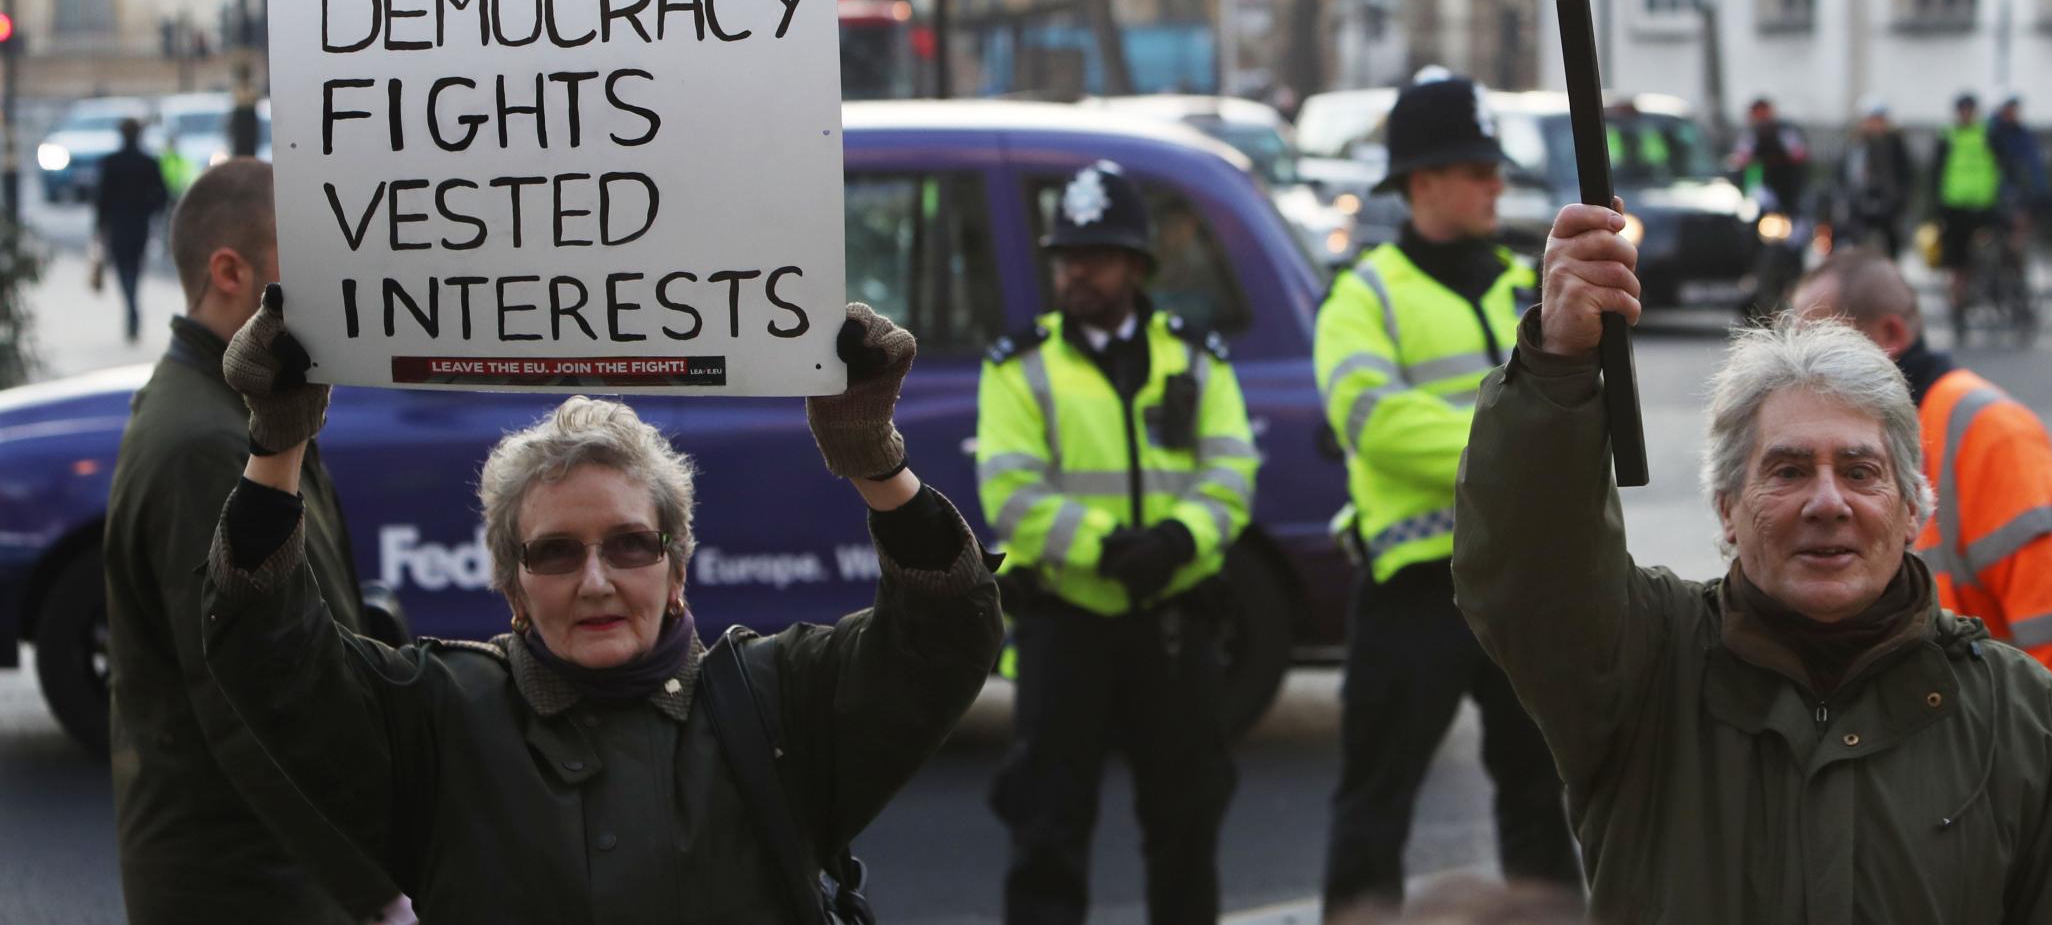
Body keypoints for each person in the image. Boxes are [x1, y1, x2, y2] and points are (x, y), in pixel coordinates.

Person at [200, 287, 1002, 923]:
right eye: (554, 551)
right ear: (512, 585)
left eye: (629, 544)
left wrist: (875, 462)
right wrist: (278, 445)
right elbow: (267, 650)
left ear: (676, 568)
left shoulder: (780, 703)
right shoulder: (438, 722)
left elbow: (942, 636)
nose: (595, 580)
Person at [1452, 202, 2052, 923]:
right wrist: (1557, 364)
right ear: (1726, 509)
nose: (1828, 501)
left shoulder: (2023, 719)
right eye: (1787, 470)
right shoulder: (1646, 667)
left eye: (1861, 470)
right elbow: (1530, 572)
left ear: (1912, 509)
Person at [102, 159, 401, 925]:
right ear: (230, 271)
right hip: (252, 884)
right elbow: (243, 699)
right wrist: (373, 888)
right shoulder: (204, 442)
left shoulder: (238, 402)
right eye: (304, 260)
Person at [1316, 72, 1577, 915]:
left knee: (1541, 801)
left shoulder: (1521, 287)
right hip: (1413, 591)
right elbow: (1374, 421)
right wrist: (1514, 442)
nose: (1498, 181)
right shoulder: (1365, 293)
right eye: (1476, 167)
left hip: (1516, 587)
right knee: (1373, 808)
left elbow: (1576, 411)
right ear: (1420, 181)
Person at [977, 160, 1261, 925]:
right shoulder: (1018, 365)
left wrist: (1176, 539)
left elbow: (1232, 474)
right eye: (1066, 257)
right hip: (1064, 625)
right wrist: (1106, 547)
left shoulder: (1197, 356)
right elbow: (1010, 490)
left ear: (1136, 265)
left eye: (1095, 256)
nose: (1076, 272)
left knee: (1186, 831)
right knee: (1046, 833)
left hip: (1173, 625)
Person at [1793, 250, 2052, 697]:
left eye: (1818, 347)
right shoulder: (1871, 435)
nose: (1797, 371)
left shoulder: (1987, 429)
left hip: (1994, 742)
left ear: (1891, 335)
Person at [95, 115, 170, 342]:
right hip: (139, 222)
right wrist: (149, 211)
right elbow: (162, 194)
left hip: (119, 223)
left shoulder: (111, 162)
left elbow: (102, 197)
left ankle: (131, 308)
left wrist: (100, 225)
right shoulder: (148, 162)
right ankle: (133, 306)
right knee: (135, 267)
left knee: (122, 267)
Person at [1931, 91, 2003, 327]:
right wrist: (1936, 207)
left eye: (1969, 109)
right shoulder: (1947, 136)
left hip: (1983, 205)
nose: (1966, 114)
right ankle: (1958, 305)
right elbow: (1936, 173)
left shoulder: (1988, 134)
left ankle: (1989, 291)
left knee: (1988, 251)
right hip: (1955, 206)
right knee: (1957, 261)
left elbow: (2001, 165)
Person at [1833, 97, 1914, 257]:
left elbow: (1905, 175)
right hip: (1859, 201)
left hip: (1887, 202)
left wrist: (1900, 199)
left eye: (1879, 120)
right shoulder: (1855, 144)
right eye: (1872, 120)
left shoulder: (1894, 145)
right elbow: (1844, 174)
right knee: (1852, 239)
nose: (1876, 124)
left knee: (1891, 239)